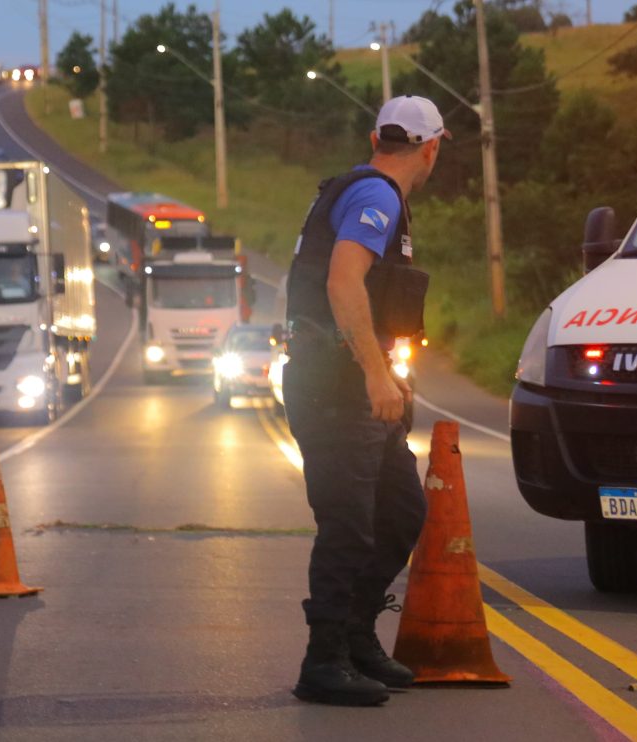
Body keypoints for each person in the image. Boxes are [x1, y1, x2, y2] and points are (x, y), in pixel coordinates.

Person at [283, 95, 448, 707]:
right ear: (433, 147)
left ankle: (355, 640)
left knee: (399, 513)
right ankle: (322, 661)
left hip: (346, 378)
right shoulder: (377, 196)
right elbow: (342, 280)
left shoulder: (360, 188)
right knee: (349, 523)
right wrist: (376, 376)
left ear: (374, 136)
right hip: (334, 385)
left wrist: (387, 374)